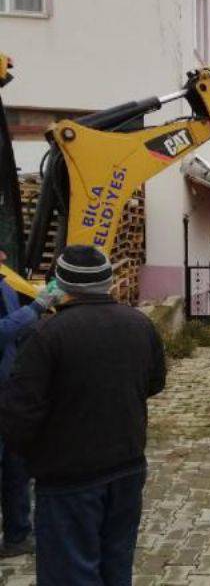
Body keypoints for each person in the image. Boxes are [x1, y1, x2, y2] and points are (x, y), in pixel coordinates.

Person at [0, 245, 166, 585]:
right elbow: (154, 382)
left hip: (68, 479)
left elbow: (19, 411)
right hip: (127, 468)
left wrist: (33, 458)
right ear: (108, 281)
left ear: (59, 284)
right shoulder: (139, 323)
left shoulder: (46, 335)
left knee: (70, 573)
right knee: (116, 567)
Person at [0, 249, 61, 557]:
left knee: (16, 468)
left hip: (10, 393)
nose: (3, 254)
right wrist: (36, 307)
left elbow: (17, 334)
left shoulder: (5, 285)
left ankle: (17, 534)